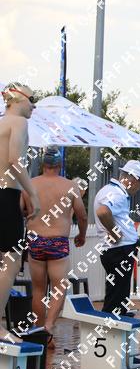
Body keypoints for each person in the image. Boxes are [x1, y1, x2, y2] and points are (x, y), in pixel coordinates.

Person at [20, 147, 87, 349]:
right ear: (60, 165)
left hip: (35, 240)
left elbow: (21, 210)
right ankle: (48, 327)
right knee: (59, 287)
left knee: (38, 289)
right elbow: (82, 215)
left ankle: (40, 332)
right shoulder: (70, 186)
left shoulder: (29, 184)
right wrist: (82, 235)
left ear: (43, 164)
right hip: (57, 240)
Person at [0, 82, 41, 344]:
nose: (34, 106)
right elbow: (14, 159)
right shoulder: (19, 122)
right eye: (32, 100)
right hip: (5, 195)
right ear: (18, 99)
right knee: (11, 262)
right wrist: (32, 194)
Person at [94, 160, 140, 315]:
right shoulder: (117, 194)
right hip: (119, 250)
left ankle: (120, 315)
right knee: (117, 291)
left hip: (117, 250)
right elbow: (103, 212)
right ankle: (112, 321)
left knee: (118, 290)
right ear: (133, 179)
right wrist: (115, 233)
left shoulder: (110, 190)